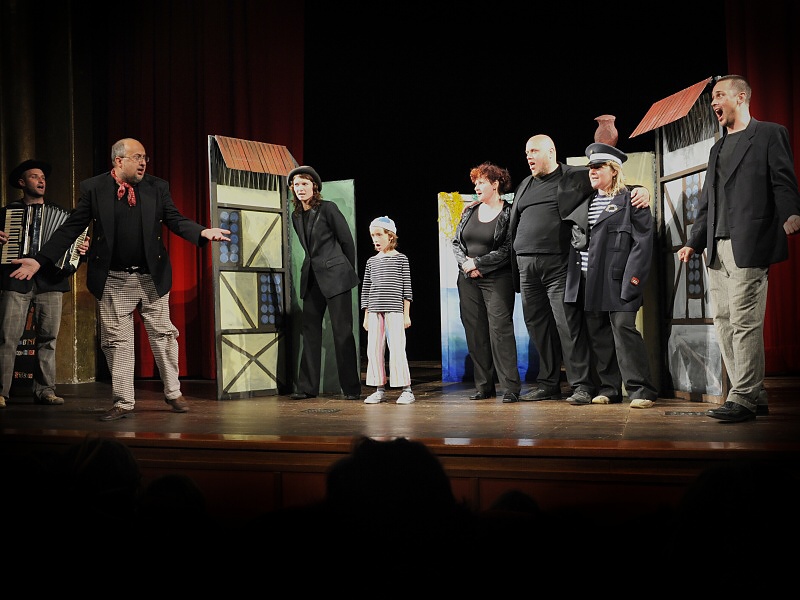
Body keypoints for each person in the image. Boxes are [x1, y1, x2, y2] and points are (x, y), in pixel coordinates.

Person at [9, 138, 231, 421]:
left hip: (151, 277)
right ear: (119, 160)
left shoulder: (157, 187)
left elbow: (175, 219)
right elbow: (70, 229)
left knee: (163, 335)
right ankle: (124, 401)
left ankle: (173, 392)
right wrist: (39, 260)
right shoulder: (94, 188)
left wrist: (201, 232)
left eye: (145, 158)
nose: (143, 163)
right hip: (113, 278)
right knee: (117, 342)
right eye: (137, 157)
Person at [678, 75, 800, 423]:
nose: (713, 103)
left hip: (752, 241)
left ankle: (742, 396)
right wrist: (693, 241)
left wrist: (791, 212)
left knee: (745, 320)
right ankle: (754, 395)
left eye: (719, 96)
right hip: (716, 247)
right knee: (724, 321)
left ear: (741, 97)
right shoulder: (716, 148)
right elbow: (707, 202)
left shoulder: (769, 134)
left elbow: (783, 181)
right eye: (712, 98)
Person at [509, 134, 650, 404]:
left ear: (551, 151)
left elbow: (614, 185)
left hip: (566, 267)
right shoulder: (526, 185)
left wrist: (641, 189)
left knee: (575, 327)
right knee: (545, 327)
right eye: (527, 152)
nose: (529, 156)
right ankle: (562, 385)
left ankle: (592, 386)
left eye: (534, 151)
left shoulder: (575, 176)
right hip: (544, 270)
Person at [565, 143, 658, 408]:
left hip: (619, 280)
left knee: (623, 329)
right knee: (599, 335)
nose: (592, 172)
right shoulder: (586, 201)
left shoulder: (632, 200)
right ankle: (610, 388)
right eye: (590, 168)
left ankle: (641, 390)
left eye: (598, 167)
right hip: (588, 279)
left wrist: (633, 281)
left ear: (614, 170)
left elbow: (642, 244)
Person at [0, 159, 89, 409]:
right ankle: (1, 391)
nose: (41, 181)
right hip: (16, 280)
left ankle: (45, 390)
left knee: (48, 338)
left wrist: (82, 250)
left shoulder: (63, 216)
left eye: (43, 177)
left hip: (51, 281)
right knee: (7, 338)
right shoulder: (6, 214)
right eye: (34, 176)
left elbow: (72, 250)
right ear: (21, 183)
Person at [288, 165, 362, 401]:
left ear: (314, 186)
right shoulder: (296, 215)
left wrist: (346, 271)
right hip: (312, 278)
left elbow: (346, 241)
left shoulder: (328, 208)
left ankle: (351, 388)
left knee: (342, 332)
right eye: (296, 184)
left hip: (336, 277)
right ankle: (307, 387)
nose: (300, 188)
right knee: (310, 332)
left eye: (304, 184)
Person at [451, 162, 521, 403]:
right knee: (475, 332)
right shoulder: (469, 211)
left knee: (500, 332)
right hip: (467, 279)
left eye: (481, 182)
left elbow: (508, 248)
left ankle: (510, 387)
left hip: (497, 278)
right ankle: (484, 386)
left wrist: (478, 263)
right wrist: (466, 264)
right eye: (475, 183)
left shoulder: (509, 212)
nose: (476, 187)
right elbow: (456, 242)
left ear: (495, 184)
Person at [361, 216, 414, 405]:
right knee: (374, 349)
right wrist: (366, 315)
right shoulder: (371, 262)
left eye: (378, 235)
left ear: (390, 236)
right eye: (372, 235)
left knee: (397, 348)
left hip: (394, 310)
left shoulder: (401, 259)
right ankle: (379, 389)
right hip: (375, 310)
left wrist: (406, 314)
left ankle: (406, 390)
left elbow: (407, 289)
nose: (375, 239)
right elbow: (366, 289)